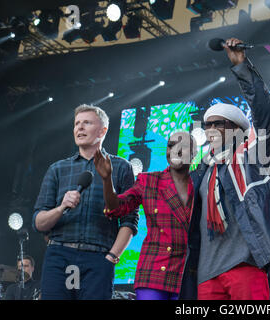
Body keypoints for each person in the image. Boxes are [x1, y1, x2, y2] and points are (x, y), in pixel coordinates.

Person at [179, 38, 270, 300]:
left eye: (218, 123)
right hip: (207, 273)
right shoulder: (202, 170)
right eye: (207, 125)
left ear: (237, 130)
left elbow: (264, 112)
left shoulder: (253, 157)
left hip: (246, 266)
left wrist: (242, 66)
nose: (211, 129)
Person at [32, 104, 139, 300]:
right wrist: (61, 207)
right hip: (59, 257)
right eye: (76, 124)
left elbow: (129, 221)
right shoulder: (57, 169)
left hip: (99, 259)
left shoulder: (121, 167)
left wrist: (111, 258)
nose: (79, 128)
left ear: (103, 130)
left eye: (87, 123)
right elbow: (39, 223)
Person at [95, 131, 196, 300]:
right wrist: (107, 180)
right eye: (171, 145)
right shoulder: (148, 181)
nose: (175, 150)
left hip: (188, 272)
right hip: (153, 269)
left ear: (194, 154)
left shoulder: (201, 184)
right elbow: (117, 208)